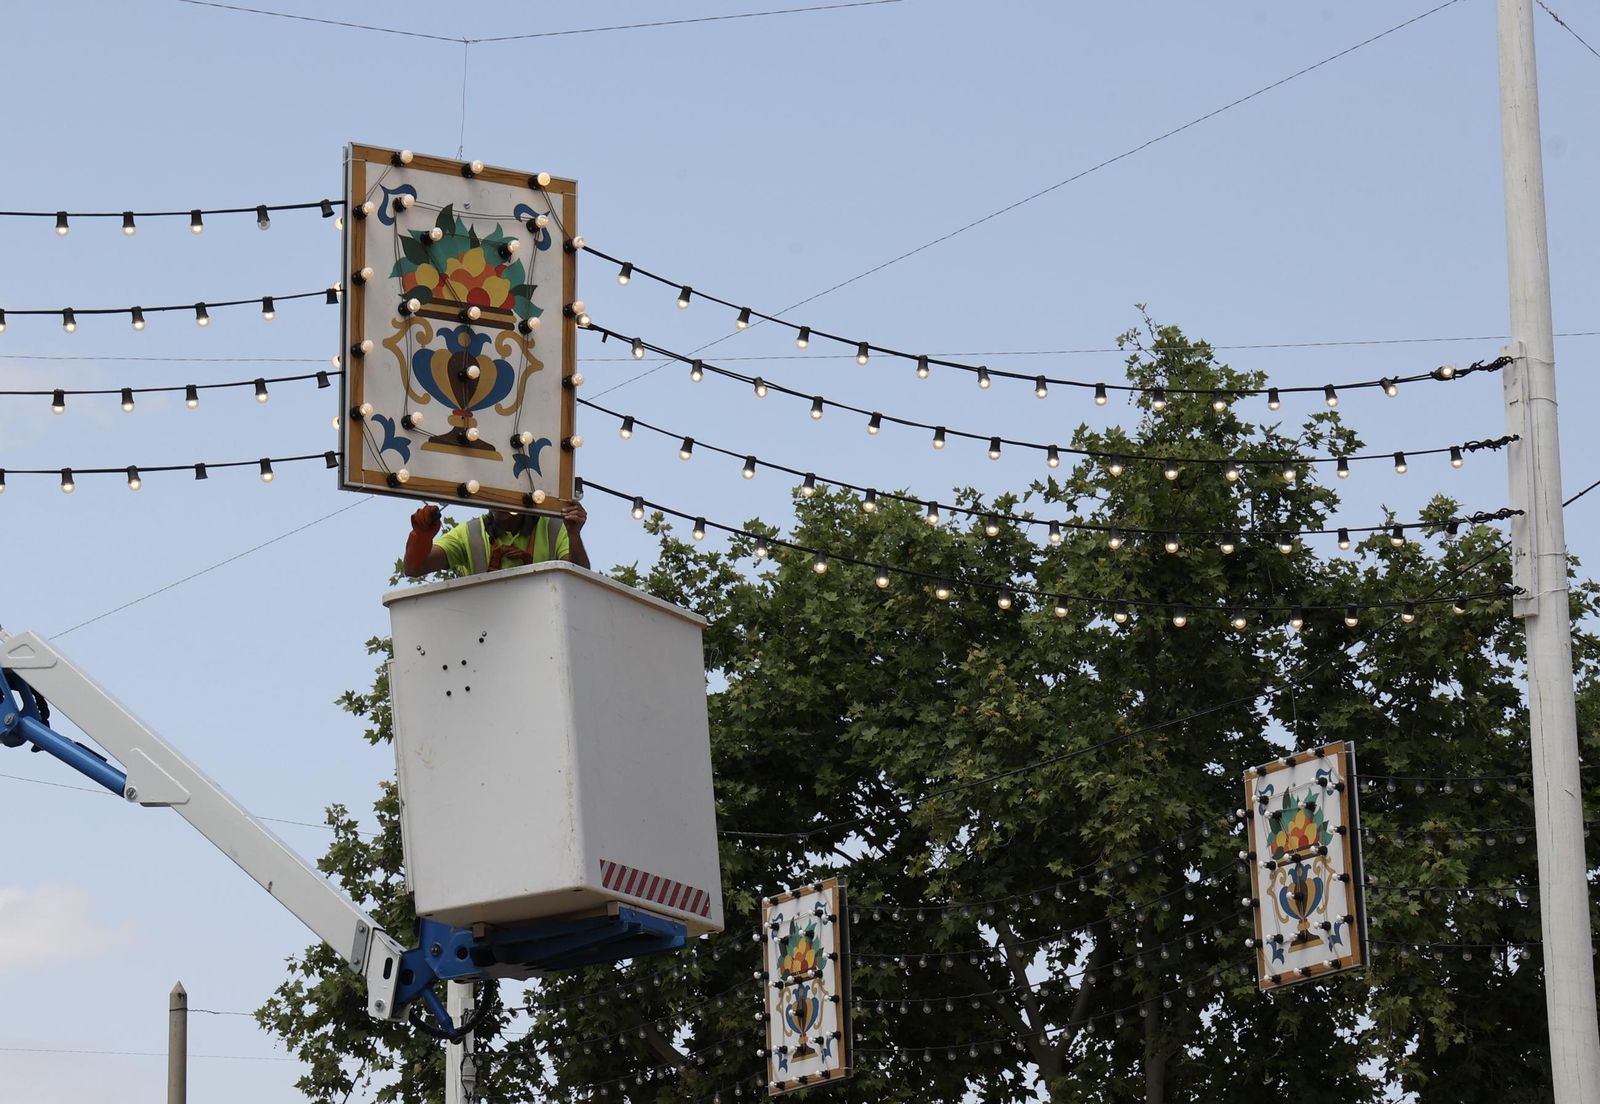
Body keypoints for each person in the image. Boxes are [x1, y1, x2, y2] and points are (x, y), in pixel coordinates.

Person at [404, 500, 590, 578]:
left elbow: (579, 579)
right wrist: (420, 536)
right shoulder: (470, 533)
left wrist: (574, 535)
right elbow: (414, 568)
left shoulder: (554, 528)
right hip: (487, 638)